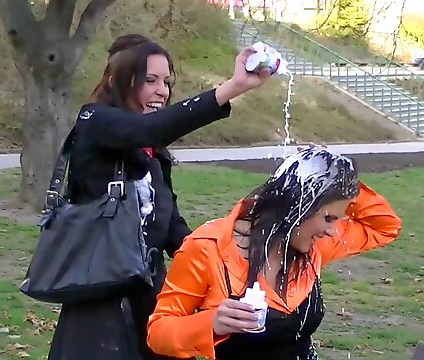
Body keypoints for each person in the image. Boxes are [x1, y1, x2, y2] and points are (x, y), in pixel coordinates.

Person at [47, 34, 272, 360]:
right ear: (117, 81)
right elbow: (149, 128)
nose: (162, 91)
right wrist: (234, 86)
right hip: (98, 297)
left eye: (166, 81)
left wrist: (224, 263)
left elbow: (171, 228)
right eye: (149, 80)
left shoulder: (152, 150)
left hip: (151, 293)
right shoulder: (93, 121)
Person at [146, 147, 403, 359]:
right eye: (328, 218)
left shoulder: (312, 245)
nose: (333, 231)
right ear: (299, 204)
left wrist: (334, 176)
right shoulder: (208, 247)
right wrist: (211, 323)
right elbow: (158, 333)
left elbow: (385, 226)